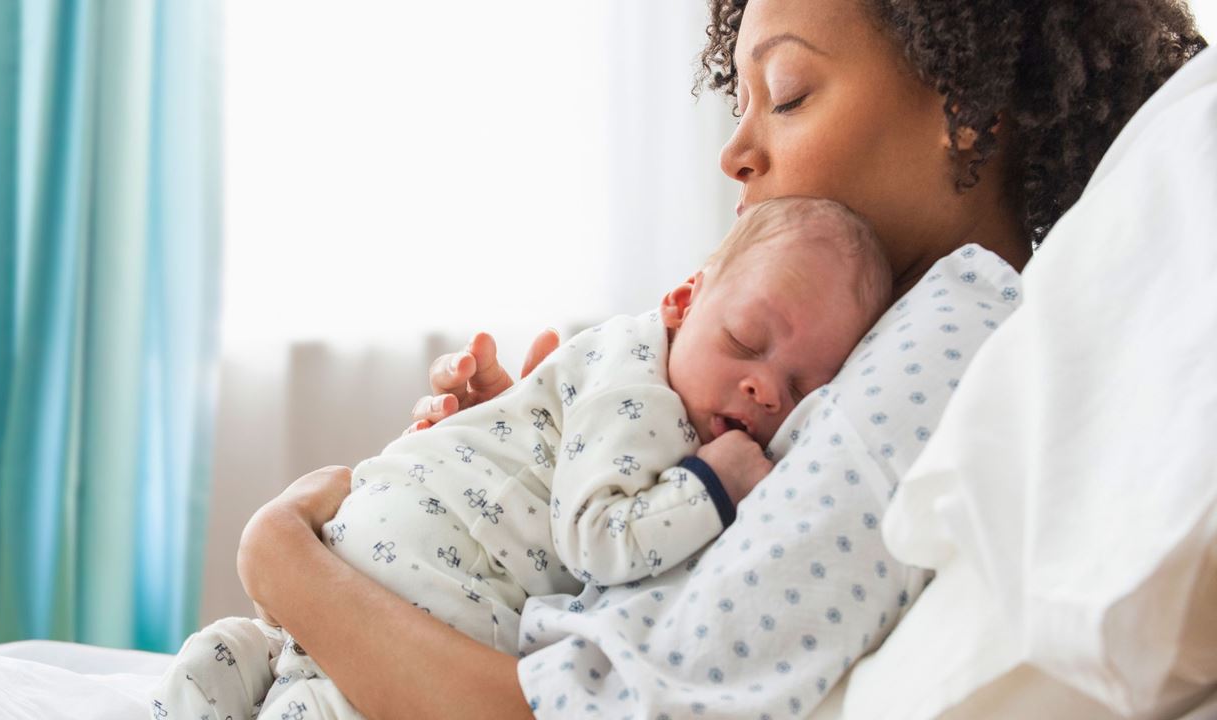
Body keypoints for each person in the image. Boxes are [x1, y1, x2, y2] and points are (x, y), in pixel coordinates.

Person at [234, 2, 1206, 718]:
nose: (734, 149)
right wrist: (521, 480)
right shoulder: (855, 354)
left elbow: (608, 706)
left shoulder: (945, 349)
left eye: (783, 94)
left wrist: (286, 566)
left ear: (972, 108)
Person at [155, 197, 891, 719]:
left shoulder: (619, 360)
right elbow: (601, 537)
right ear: (682, 301)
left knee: (243, 658)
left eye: (801, 387)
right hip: (423, 591)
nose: (766, 387)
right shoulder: (647, 394)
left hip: (366, 559)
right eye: (745, 342)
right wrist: (714, 483)